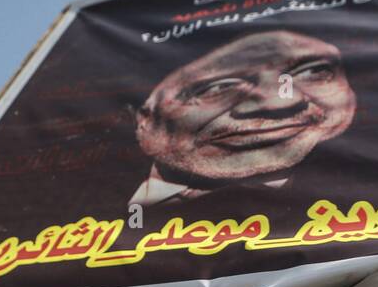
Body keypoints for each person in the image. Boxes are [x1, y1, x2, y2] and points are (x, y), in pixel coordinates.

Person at [129, 30, 357, 209]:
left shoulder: (374, 192)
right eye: (219, 87)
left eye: (312, 72)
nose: (282, 102)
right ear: (144, 119)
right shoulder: (101, 210)